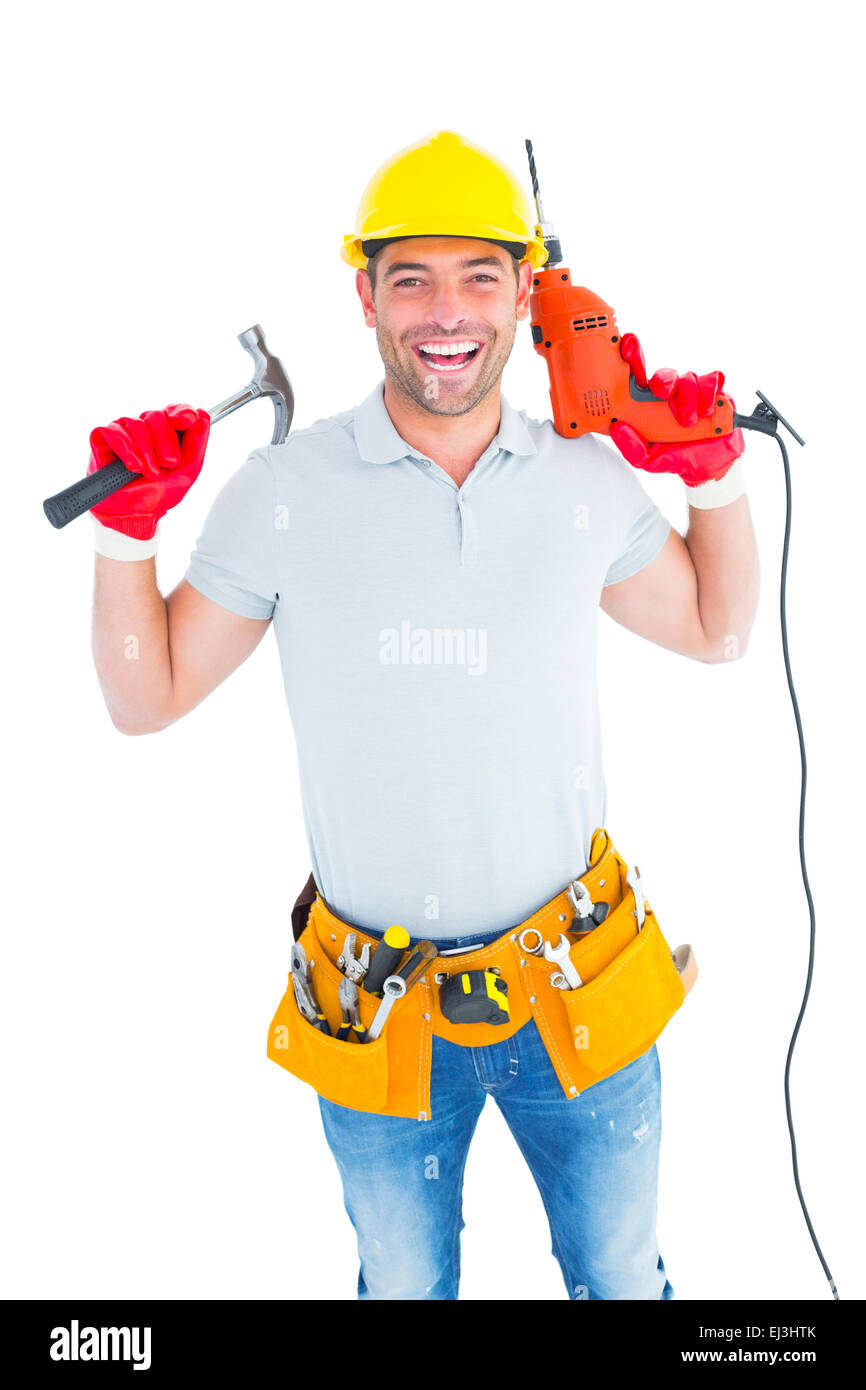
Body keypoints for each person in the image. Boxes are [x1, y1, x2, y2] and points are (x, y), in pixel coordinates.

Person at [87, 130, 759, 1300]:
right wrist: (122, 537)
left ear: (525, 294)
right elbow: (145, 700)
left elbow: (718, 629)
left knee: (619, 1276)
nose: (445, 311)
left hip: (580, 985)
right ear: (364, 295)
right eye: (410, 278)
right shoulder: (283, 494)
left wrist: (714, 476)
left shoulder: (582, 481)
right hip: (375, 1014)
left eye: (478, 276)